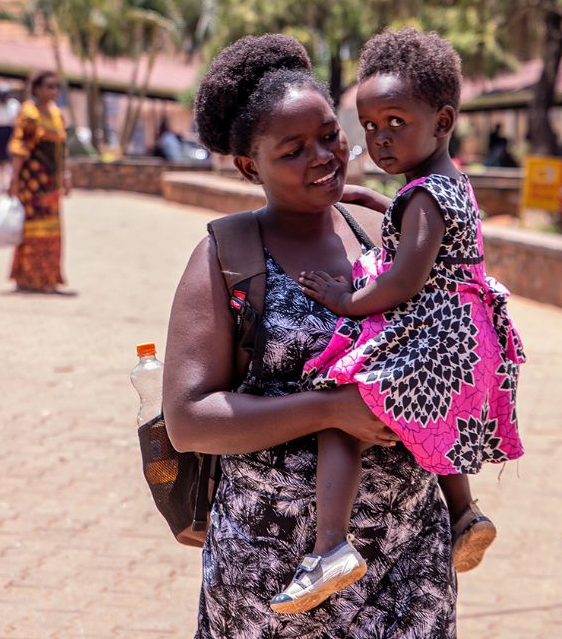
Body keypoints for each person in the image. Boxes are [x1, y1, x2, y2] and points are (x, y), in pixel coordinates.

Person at [163, 34, 457, 637]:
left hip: (408, 560)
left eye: (329, 134)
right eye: (293, 149)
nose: (323, 156)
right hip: (275, 573)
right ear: (251, 166)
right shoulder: (226, 257)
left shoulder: (385, 229)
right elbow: (189, 418)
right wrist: (332, 409)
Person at [272, 28, 525, 614]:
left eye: (395, 122)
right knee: (437, 426)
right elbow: (427, 228)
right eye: (368, 125)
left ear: (442, 121)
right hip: (468, 339)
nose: (379, 138)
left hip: (433, 336)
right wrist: (374, 201)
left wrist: (345, 301)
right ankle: (464, 512)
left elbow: (404, 279)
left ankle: (330, 546)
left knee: (342, 403)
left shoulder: (423, 197)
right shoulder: (446, 183)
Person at [8, 71, 71, 293]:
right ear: (37, 88)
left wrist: (66, 176)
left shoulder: (56, 114)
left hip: (51, 186)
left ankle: (48, 279)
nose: (53, 91)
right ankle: (28, 278)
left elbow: (62, 151)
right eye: (49, 86)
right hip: (32, 184)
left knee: (52, 232)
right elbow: (19, 149)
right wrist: (13, 180)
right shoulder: (29, 113)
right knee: (33, 231)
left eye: (57, 87)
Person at [0, 82, 22, 191]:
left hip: (11, 132)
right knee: (0, 160)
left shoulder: (14, 105)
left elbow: (18, 123)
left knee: (11, 160)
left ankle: (11, 183)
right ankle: (1, 183)